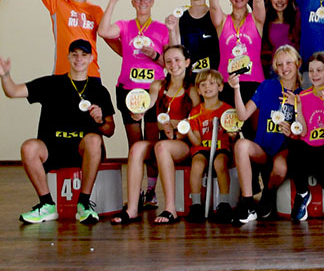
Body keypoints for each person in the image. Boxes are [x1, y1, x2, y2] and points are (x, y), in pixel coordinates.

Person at [0, 39, 115, 224]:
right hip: (51, 151)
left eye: (84, 55)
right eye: (74, 54)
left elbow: (110, 130)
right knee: (29, 147)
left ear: (91, 58)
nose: (79, 59)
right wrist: (5, 75)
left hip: (81, 152)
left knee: (95, 140)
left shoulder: (99, 90)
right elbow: (13, 91)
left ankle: (84, 204)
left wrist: (100, 120)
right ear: (68, 57)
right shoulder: (51, 83)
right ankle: (46, 205)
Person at [110, 45, 200, 225]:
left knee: (161, 146)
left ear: (187, 62)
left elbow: (197, 120)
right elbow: (149, 102)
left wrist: (175, 126)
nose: (173, 64)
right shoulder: (158, 85)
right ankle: (132, 209)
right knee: (137, 148)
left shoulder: (193, 89)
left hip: (184, 143)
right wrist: (140, 111)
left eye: (177, 60)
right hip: (164, 141)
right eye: (169, 61)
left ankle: (171, 209)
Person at [231, 45, 303, 224]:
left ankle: (267, 195)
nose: (284, 68)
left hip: (284, 149)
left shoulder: (303, 93)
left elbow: (305, 131)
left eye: (288, 62)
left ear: (298, 63)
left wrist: (294, 131)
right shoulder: (267, 86)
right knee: (241, 145)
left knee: (280, 168)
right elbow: (242, 115)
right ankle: (248, 203)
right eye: (279, 64)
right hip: (262, 148)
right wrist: (236, 88)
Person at [98, 0, 168, 154]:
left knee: (152, 142)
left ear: (152, 2)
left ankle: (151, 173)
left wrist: (154, 55)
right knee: (135, 144)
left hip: (154, 90)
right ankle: (136, 172)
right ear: (133, 3)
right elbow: (103, 31)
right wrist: (113, 1)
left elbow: (169, 63)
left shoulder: (162, 28)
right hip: (128, 89)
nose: (142, 2)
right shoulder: (125, 25)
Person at [287, 51, 324, 221]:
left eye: (319, 70)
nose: (314, 75)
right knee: (294, 150)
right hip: (309, 149)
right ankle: (302, 193)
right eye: (311, 70)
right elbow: (303, 132)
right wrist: (298, 107)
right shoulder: (303, 96)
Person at [209, 0, 265, 105]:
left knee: (252, 121)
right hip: (227, 82)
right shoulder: (222, 21)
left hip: (254, 81)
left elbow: (259, 1)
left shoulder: (256, 19)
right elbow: (213, 5)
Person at [185, 69, 237, 223]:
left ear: (220, 87)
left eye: (212, 83)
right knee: (197, 164)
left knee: (219, 163)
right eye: (203, 84)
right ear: (198, 90)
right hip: (202, 149)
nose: (207, 87)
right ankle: (196, 205)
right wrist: (188, 130)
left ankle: (224, 204)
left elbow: (233, 135)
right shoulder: (195, 112)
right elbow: (196, 142)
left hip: (222, 148)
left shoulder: (228, 110)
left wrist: (232, 133)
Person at [165, 0, 220, 74]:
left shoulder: (216, 17)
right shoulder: (179, 18)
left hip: (212, 79)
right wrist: (171, 30)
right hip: (188, 78)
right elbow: (175, 51)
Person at [261, 0, 301, 76]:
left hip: (296, 68)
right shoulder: (265, 22)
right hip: (275, 70)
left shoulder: (297, 18)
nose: (279, 1)